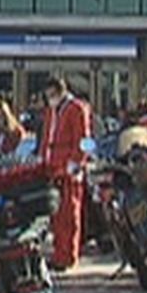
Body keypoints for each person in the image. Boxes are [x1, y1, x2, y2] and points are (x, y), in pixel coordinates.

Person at [42, 77, 92, 271]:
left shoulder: (77, 109)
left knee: (70, 215)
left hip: (69, 171)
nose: (50, 99)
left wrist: (75, 164)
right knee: (57, 216)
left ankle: (68, 256)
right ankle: (58, 253)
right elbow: (47, 138)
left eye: (52, 95)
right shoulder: (52, 111)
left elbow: (84, 141)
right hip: (53, 168)